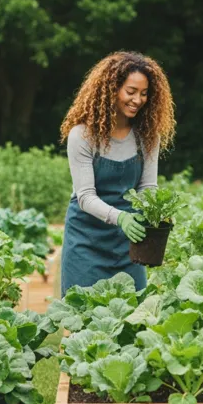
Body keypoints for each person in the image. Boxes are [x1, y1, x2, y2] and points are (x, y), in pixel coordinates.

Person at [59, 51, 175, 294]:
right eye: (130, 91)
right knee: (83, 317)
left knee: (132, 316)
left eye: (144, 94)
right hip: (86, 240)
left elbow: (147, 187)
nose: (138, 99)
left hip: (128, 243)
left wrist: (155, 213)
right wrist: (121, 217)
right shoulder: (82, 135)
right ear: (111, 89)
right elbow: (85, 196)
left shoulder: (147, 137)